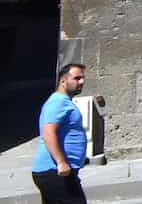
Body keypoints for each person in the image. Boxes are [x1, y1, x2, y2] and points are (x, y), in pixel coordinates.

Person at [32, 63, 88, 204]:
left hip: (57, 172)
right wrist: (61, 162)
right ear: (63, 81)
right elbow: (48, 133)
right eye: (77, 78)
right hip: (55, 172)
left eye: (82, 78)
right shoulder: (57, 102)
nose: (81, 82)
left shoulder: (63, 102)